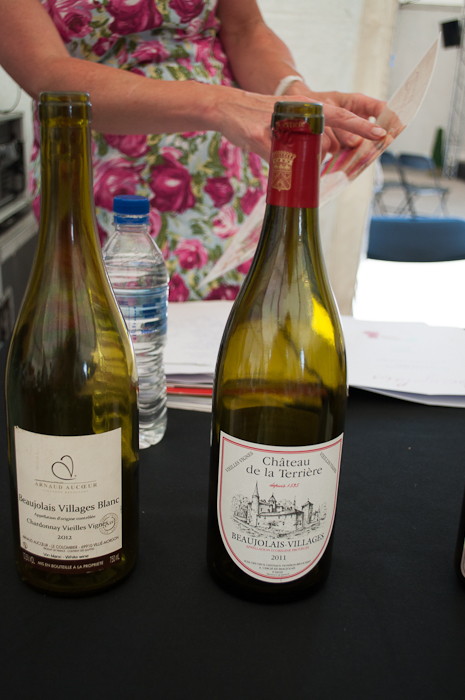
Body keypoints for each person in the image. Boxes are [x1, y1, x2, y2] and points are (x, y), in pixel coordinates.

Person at [0, 0, 387, 301]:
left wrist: (291, 93)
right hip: (101, 185)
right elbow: (47, 73)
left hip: (227, 183)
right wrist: (219, 105)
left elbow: (245, 29)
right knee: (118, 347)